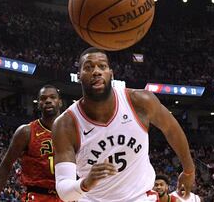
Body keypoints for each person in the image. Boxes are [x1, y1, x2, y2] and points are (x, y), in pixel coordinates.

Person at [52, 47, 195, 202]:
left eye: (102, 66)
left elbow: (171, 129)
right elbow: (64, 191)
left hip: (140, 198)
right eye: (88, 67)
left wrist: (189, 170)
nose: (96, 71)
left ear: (111, 73)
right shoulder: (65, 125)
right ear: (79, 76)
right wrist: (85, 183)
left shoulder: (140, 101)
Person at [0, 85, 63, 202]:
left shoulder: (73, 130)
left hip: (67, 195)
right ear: (38, 104)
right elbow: (6, 165)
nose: (48, 101)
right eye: (43, 98)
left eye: (52, 97)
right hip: (37, 195)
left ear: (60, 102)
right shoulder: (26, 131)